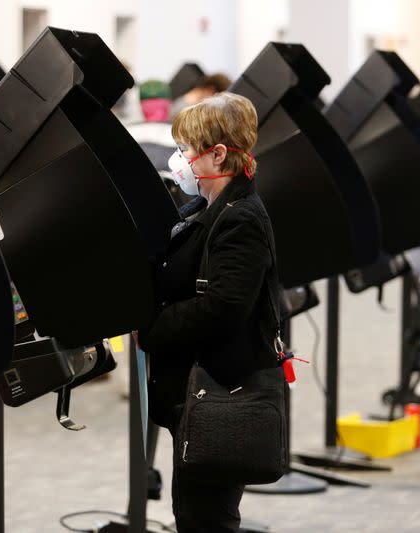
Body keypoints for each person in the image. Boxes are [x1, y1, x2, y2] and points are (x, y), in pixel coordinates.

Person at [136, 92, 278, 532]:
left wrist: (152, 330)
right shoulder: (207, 208)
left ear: (218, 154)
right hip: (195, 393)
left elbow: (223, 308)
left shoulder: (240, 219)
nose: (181, 159)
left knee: (206, 519)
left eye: (187, 149)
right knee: (194, 515)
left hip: (219, 396)